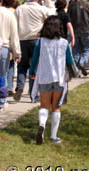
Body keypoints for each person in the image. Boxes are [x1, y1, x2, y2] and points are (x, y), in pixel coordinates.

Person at [30, 15, 74, 144]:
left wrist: (32, 72)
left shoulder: (40, 42)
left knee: (44, 105)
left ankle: (42, 125)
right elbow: (70, 61)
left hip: (44, 77)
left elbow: (34, 59)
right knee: (56, 107)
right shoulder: (64, 43)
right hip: (59, 79)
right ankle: (54, 136)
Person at [14, 0, 50, 102]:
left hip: (22, 40)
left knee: (22, 66)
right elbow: (52, 15)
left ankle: (20, 86)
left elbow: (15, 26)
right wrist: (47, 0)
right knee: (35, 67)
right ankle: (32, 93)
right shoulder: (41, 9)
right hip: (36, 40)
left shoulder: (20, 8)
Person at [68, 0, 89, 76]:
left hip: (75, 29)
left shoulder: (72, 5)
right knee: (87, 49)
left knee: (75, 50)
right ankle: (82, 62)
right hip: (86, 29)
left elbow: (68, 17)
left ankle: (78, 70)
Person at [2, 0, 16, 96]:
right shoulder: (14, 12)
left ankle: (4, 86)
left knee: (1, 69)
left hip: (0, 43)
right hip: (10, 42)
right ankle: (10, 86)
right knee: (10, 65)